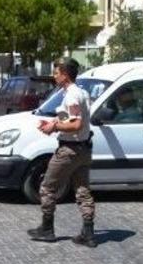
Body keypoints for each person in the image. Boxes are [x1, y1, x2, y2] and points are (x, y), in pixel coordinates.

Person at [27, 57, 97, 247]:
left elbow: (76, 124)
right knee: (83, 191)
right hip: (83, 149)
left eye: (56, 72)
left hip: (69, 150)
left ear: (65, 75)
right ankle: (88, 234)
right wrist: (53, 123)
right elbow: (71, 119)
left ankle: (47, 229)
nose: (54, 76)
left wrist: (55, 127)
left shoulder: (73, 95)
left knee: (47, 187)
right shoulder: (79, 92)